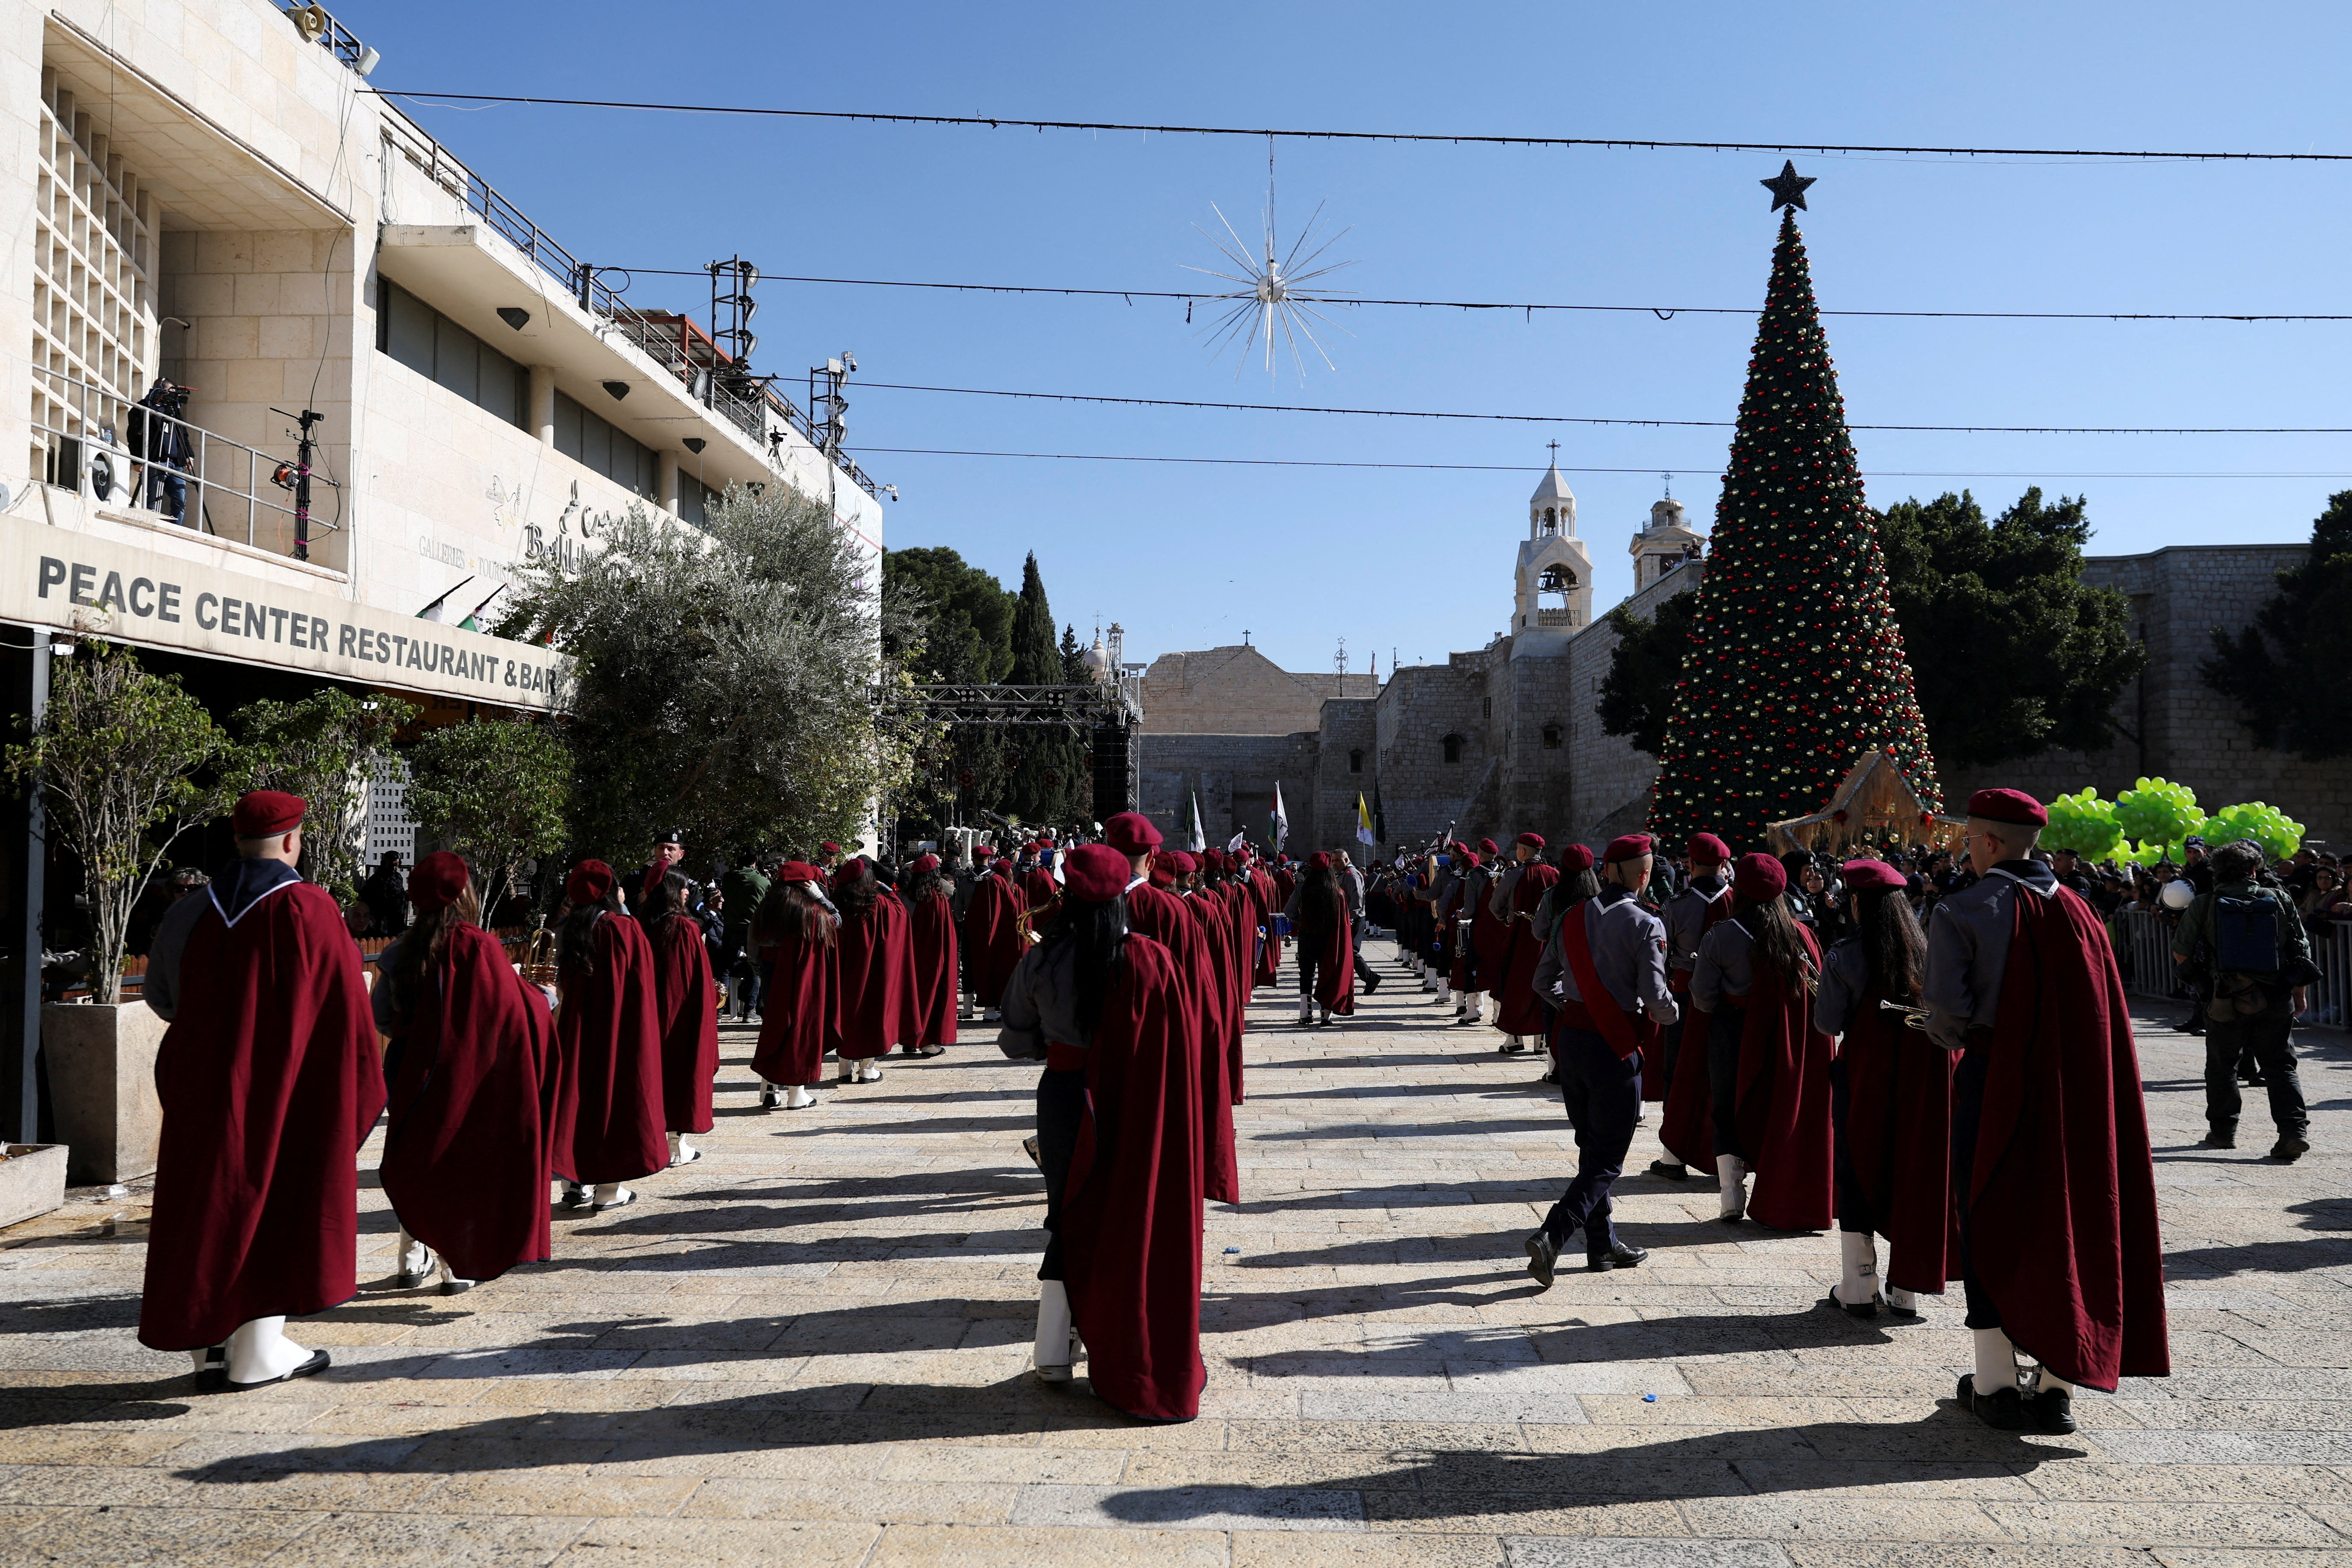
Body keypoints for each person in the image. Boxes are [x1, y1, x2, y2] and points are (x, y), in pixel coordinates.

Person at [1925, 788, 2168, 1435]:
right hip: (2081, 1092)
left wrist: (1951, 1034)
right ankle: (2059, 1381)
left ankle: (1996, 1383)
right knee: (2076, 1210)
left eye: (1970, 837)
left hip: (1994, 1080)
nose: (1965, 848)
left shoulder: (1964, 909)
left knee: (1988, 1205)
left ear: (1992, 843)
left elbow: (1947, 1018)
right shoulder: (2086, 912)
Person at [138, 791, 381, 1391]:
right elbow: (347, 1015)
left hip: (201, 1085)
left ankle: (207, 1347)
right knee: (270, 1202)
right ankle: (257, 1352)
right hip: (284, 1088)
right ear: (294, 841)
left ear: (236, 840)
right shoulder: (313, 907)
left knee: (202, 1207)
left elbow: (162, 998)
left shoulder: (190, 909)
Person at [999, 843, 1206, 1419]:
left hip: (1066, 1099)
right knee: (1131, 1215)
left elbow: (1014, 1038)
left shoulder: (1042, 959)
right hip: (1138, 1106)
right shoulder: (1152, 958)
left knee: (1069, 1213)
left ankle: (1052, 1349)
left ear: (1066, 894)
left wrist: (1057, 1040)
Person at [375, 852, 557, 1296]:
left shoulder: (399, 951)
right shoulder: (478, 945)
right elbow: (512, 1012)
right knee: (456, 1164)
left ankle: (408, 1258)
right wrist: (547, 997)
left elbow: (381, 1016)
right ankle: (453, 1266)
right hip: (466, 1078)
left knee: (417, 1160)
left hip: (408, 1071)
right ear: (465, 894)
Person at [1522, 833, 1675, 1284]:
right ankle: (1553, 1233)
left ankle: (1602, 1244)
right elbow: (1657, 999)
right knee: (1607, 1158)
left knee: (1590, 1147)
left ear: (1606, 870)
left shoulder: (1569, 916)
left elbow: (1540, 981)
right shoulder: (1647, 924)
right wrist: (1673, 1011)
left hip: (1571, 1040)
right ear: (1644, 876)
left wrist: (1573, 1004)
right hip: (1615, 1045)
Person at [1817, 858, 1953, 1320]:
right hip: (1923, 1082)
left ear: (1857, 903)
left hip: (1865, 1075)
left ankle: (1857, 1285)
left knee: (1857, 1167)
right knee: (1911, 1168)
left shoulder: (1843, 954)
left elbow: (1827, 1023)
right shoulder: (1928, 951)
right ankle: (1905, 1288)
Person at [1683, 854, 1835, 1229]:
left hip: (1733, 1032)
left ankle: (1732, 1197)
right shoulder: (1803, 935)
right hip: (1787, 1037)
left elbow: (1702, 997)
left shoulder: (1721, 935)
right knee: (1777, 1108)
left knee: (1727, 1108)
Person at [1105, 816, 1235, 1204]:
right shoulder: (1172, 912)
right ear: (1151, 856)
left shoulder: (1082, 906)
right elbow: (1198, 991)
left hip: (1098, 1046)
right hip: (1157, 1045)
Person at [2172, 837, 2314, 1161]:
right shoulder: (2279, 898)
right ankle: (2293, 1132)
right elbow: (2301, 950)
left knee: (2222, 1065)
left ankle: (2223, 1132)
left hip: (2225, 996)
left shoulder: (2205, 903)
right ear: (2254, 869)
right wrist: (2299, 994)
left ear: (2218, 871)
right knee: (2281, 1065)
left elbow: (2181, 950)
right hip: (2275, 995)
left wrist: (2203, 983)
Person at [550, 861, 668, 1214]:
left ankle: (573, 1181)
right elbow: (642, 985)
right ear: (611, 891)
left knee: (577, 1098)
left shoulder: (568, 927)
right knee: (613, 1100)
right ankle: (608, 1189)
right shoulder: (623, 927)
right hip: (619, 1027)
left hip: (576, 1027)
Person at [1651, 833, 1732, 1178]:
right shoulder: (1739, 900)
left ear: (1690, 863)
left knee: (1678, 1071)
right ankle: (1729, 1159)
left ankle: (1673, 1156)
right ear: (1725, 864)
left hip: (1685, 994)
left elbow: (1664, 956)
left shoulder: (1677, 903)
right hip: (1730, 1000)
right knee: (1724, 1074)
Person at [640, 870, 720, 1168]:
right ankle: (676, 1145)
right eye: (683, 888)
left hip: (650, 1013)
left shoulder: (641, 924)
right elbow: (692, 979)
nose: (687, 893)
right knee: (680, 1074)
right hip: (681, 1013)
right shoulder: (683, 928)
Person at [750, 865, 839, 1109]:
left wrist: (758, 968)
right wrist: (820, 897)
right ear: (806, 886)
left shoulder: (766, 907)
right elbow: (837, 921)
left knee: (774, 1028)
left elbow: (754, 940)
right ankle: (796, 1093)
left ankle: (769, 1087)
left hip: (770, 971)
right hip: (801, 975)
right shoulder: (811, 911)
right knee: (799, 1030)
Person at [832, 859, 914, 1084]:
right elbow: (902, 916)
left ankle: (843, 1067)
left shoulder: (836, 902)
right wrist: (888, 891)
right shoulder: (878, 903)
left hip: (842, 969)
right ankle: (867, 1069)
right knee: (870, 1014)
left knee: (845, 1012)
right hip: (873, 971)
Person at [1488, 833, 1559, 1054]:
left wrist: (1506, 920)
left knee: (1515, 986)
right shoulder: (1555, 875)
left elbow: (1495, 905)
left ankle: (1514, 1039)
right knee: (1545, 985)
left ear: (1522, 852)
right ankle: (1541, 1040)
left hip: (1520, 936)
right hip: (1549, 939)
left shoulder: (1514, 875)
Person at [1285, 851, 1356, 1028]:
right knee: (1328, 973)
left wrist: (1301, 921)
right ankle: (1326, 1015)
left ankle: (1305, 1015)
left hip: (1308, 935)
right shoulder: (1337, 892)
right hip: (1329, 939)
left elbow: (1289, 911)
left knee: (1306, 975)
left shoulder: (1303, 888)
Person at [902, 854, 959, 1059]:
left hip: (908, 957)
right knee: (932, 998)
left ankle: (909, 1040)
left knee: (910, 997)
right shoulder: (937, 900)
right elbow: (944, 937)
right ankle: (928, 1043)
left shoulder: (904, 897)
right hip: (933, 958)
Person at [719, 851, 771, 1022]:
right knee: (754, 969)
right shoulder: (762, 881)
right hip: (752, 928)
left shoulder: (728, 878)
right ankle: (750, 1010)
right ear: (755, 861)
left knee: (725, 968)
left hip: (731, 926)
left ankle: (719, 1009)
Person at [358, 851, 408, 938]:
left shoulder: (398, 876)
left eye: (397, 865)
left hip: (398, 916)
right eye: (391, 865)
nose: (395, 868)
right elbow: (371, 899)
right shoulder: (377, 879)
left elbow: (400, 892)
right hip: (384, 918)